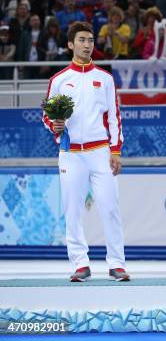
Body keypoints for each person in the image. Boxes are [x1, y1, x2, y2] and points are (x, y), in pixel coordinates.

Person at [42, 21, 129, 282]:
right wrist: (56, 126)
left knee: (110, 208)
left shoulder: (105, 79)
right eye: (81, 40)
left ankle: (117, 264)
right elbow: (47, 117)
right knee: (72, 209)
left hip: (101, 152)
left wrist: (116, 151)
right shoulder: (58, 80)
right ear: (70, 44)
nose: (87, 44)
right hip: (70, 154)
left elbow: (114, 117)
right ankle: (80, 264)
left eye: (90, 40)